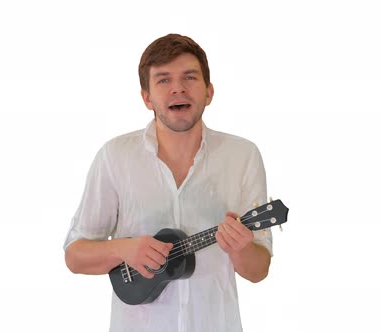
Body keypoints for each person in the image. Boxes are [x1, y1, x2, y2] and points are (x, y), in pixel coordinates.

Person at [63, 33, 273, 332]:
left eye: (190, 77)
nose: (178, 88)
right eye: (163, 80)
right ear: (146, 97)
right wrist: (124, 250)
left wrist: (240, 248)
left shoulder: (243, 156)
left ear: (209, 91)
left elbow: (259, 270)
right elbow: (75, 255)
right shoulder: (115, 156)